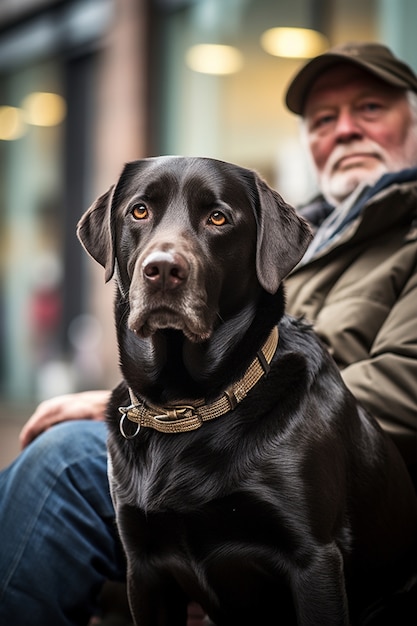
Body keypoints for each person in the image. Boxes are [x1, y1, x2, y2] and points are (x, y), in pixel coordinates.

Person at [1, 41, 417, 625]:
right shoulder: (298, 233)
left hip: (304, 460)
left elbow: (404, 389)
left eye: (370, 108)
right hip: (182, 433)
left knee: (65, 461)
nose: (345, 129)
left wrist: (190, 413)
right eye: (324, 119)